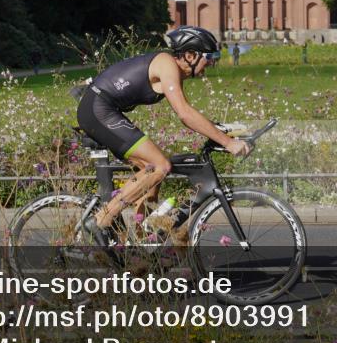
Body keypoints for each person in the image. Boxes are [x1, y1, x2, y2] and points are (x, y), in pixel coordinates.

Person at [77, 26, 250, 237]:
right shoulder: (167, 65)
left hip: (102, 108)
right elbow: (184, 114)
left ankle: (142, 244)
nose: (212, 63)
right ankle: (102, 219)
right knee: (160, 166)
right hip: (97, 109)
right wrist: (228, 143)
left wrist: (220, 130)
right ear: (190, 55)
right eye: (209, 57)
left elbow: (188, 112)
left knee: (151, 176)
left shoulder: (172, 69)